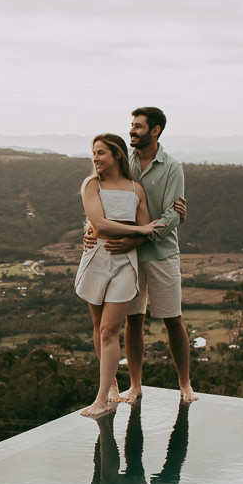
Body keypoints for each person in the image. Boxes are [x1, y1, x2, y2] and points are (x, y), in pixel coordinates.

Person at [85, 107, 196, 403]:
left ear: (155, 130)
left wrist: (141, 236)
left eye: (138, 126)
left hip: (160, 252)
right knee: (133, 320)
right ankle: (135, 385)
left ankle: (185, 384)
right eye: (131, 125)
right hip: (127, 257)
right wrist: (90, 227)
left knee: (172, 318)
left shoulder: (172, 166)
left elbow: (173, 213)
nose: (131, 131)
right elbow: (107, 198)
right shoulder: (125, 161)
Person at [74, 133, 162, 418]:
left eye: (101, 153)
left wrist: (136, 237)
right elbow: (99, 225)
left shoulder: (136, 189)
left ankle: (101, 400)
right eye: (94, 153)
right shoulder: (91, 185)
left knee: (110, 329)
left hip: (125, 264)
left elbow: (148, 227)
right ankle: (111, 385)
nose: (96, 158)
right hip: (96, 259)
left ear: (117, 155)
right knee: (99, 327)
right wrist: (139, 231)